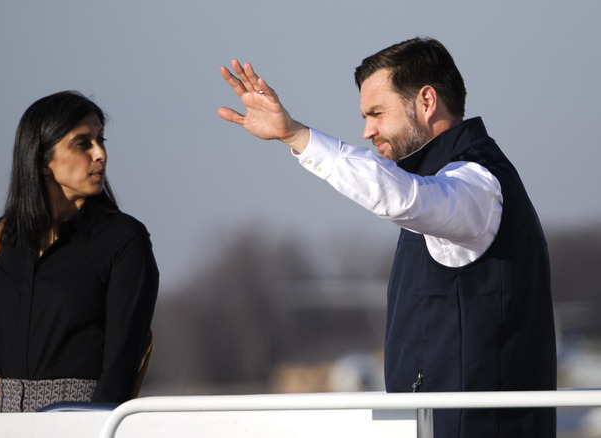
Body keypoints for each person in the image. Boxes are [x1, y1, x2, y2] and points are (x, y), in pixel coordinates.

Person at [218, 37, 556, 437]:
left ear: (427, 101)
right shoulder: (447, 181)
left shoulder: (475, 184)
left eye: (377, 113)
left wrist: (297, 137)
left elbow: (403, 197)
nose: (367, 130)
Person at [0, 91, 159, 413]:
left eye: (101, 140)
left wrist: (90, 425)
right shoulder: (5, 236)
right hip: (1, 424)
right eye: (83, 143)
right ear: (42, 160)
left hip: (78, 423)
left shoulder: (124, 240)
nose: (100, 154)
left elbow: (122, 362)